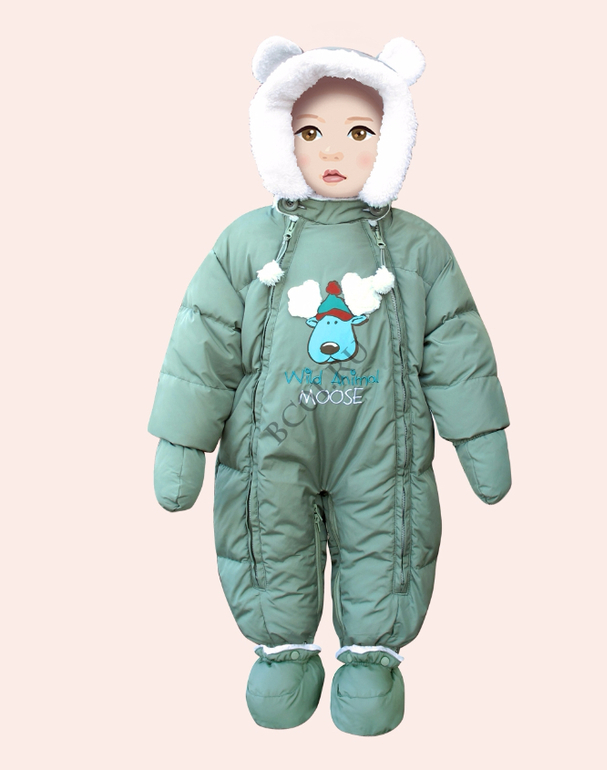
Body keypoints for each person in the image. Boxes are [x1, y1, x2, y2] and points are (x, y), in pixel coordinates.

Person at [149, 37, 511, 736]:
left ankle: (373, 658)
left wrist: (478, 433)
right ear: (279, 135)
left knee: (389, 528)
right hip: (269, 444)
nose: (334, 151)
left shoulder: (417, 248)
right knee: (266, 528)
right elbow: (201, 344)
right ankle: (281, 649)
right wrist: (182, 440)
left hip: (381, 442)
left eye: (360, 133)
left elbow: (456, 345)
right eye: (311, 132)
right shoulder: (246, 244)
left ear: (394, 139)